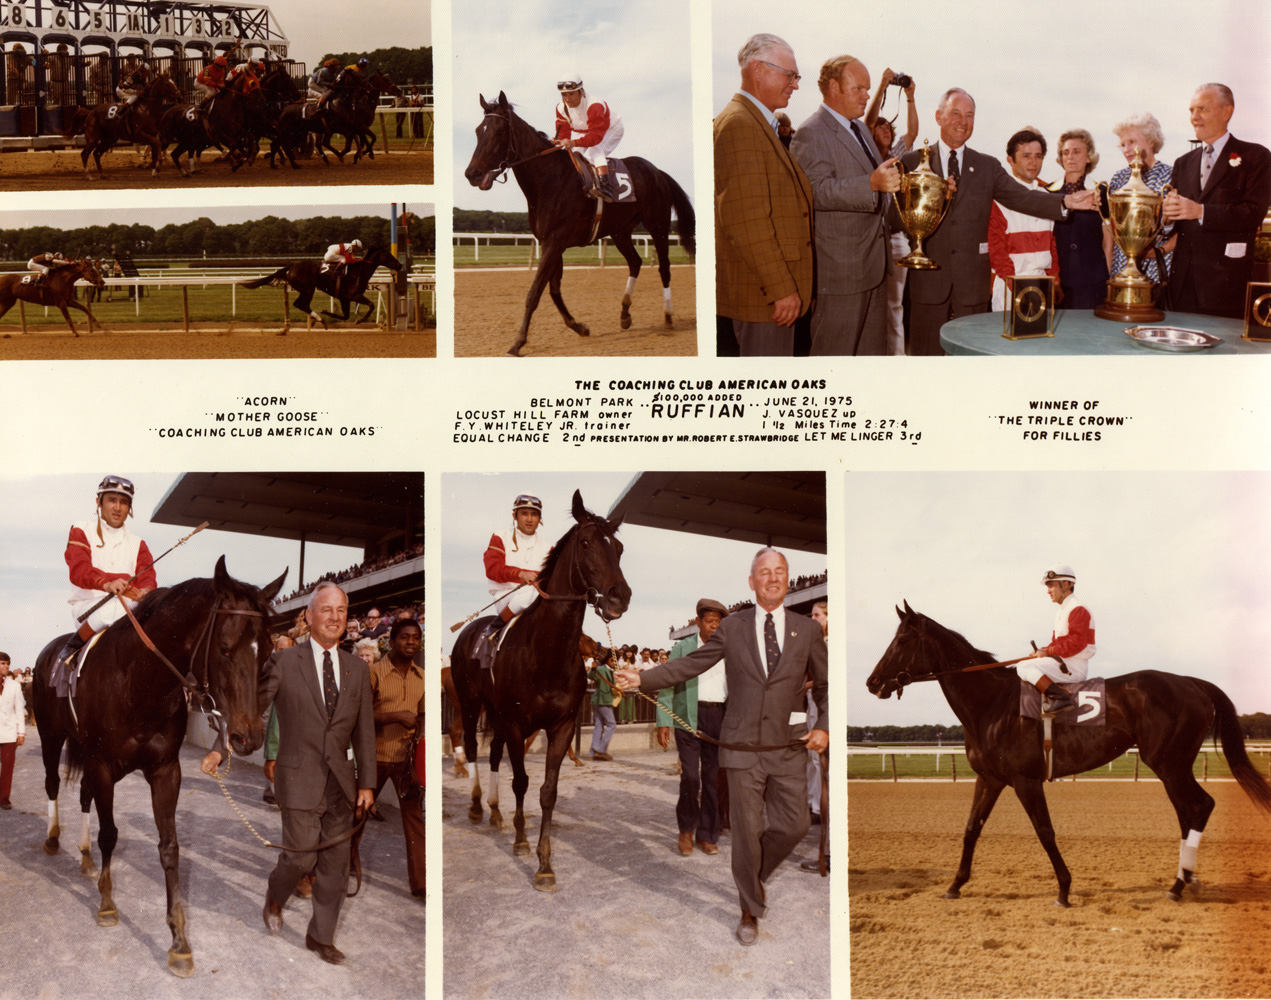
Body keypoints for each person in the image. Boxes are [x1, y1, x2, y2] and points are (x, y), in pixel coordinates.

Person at [616, 549, 828, 946]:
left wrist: (826, 728)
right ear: (752, 582)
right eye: (764, 573)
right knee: (747, 832)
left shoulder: (808, 630)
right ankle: (749, 907)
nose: (773, 578)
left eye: (780, 571)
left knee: (795, 825)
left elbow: (827, 685)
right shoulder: (732, 628)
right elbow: (691, 664)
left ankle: (752, 874)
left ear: (787, 578)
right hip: (742, 745)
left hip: (788, 746)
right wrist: (641, 680)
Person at [201, 582, 375, 966]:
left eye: (342, 611)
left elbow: (365, 731)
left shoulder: (358, 670)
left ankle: (320, 937)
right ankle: (275, 896)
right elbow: (251, 707)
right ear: (308, 616)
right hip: (298, 779)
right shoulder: (283, 662)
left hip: (342, 783)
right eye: (326, 610)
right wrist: (219, 747)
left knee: (335, 865)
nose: (334, 617)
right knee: (299, 859)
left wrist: (367, 782)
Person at [900, 88, 1098, 355]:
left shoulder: (987, 166)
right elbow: (894, 220)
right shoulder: (911, 162)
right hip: (927, 285)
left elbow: (1021, 197)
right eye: (955, 113)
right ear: (938, 116)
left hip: (972, 289)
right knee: (925, 363)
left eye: (970, 115)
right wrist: (930, 199)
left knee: (972, 366)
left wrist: (1064, 202)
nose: (963, 121)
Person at [789, 56, 899, 356]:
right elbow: (813, 190)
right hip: (840, 274)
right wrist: (871, 185)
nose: (867, 95)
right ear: (834, 87)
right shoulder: (811, 132)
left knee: (870, 361)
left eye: (868, 89)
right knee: (834, 360)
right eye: (859, 89)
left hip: (874, 267)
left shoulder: (861, 130)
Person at [715, 34, 815, 356]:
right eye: (790, 75)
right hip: (765, 301)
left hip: (767, 297)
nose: (795, 85)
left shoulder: (756, 123)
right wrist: (782, 289)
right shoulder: (741, 125)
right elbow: (747, 221)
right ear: (758, 70)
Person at [1163, 83, 1271, 318]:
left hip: (1226, 286)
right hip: (1181, 288)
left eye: (1201, 109)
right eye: (1191, 110)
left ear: (1226, 112)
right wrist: (1168, 217)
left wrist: (1201, 211)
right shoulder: (1183, 162)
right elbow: (1174, 228)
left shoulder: (1256, 157)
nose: (1194, 117)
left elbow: (1253, 213)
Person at [357, 618, 426, 898]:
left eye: (415, 638)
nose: (411, 643)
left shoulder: (422, 676)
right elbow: (359, 716)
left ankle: (421, 884)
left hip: (404, 761)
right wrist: (395, 716)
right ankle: (344, 866)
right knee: (357, 816)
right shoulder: (373, 673)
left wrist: (417, 731)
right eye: (405, 638)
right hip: (374, 758)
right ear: (391, 641)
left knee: (414, 821)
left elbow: (421, 716)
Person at [654, 598, 728, 856]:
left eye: (718, 622)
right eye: (709, 622)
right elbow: (667, 683)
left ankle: (707, 835)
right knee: (691, 777)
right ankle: (686, 831)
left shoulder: (728, 648)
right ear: (698, 622)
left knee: (712, 779)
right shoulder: (683, 648)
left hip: (718, 719)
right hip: (688, 719)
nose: (714, 627)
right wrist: (664, 721)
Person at [59, 476, 157, 668]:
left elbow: (148, 579)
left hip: (128, 611)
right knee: (120, 605)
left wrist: (146, 591)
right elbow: (79, 570)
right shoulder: (81, 529)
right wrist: (107, 584)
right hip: (88, 609)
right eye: (112, 500)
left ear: (130, 508)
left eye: (124, 502)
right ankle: (72, 646)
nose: (118, 508)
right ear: (99, 502)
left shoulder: (138, 543)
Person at [866, 68, 919, 356]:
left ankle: (897, 359)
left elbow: (912, 133)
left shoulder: (896, 155)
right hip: (870, 236)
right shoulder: (865, 152)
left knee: (895, 303)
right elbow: (869, 120)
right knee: (874, 303)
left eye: (889, 128)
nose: (885, 130)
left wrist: (910, 98)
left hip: (896, 237)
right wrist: (883, 85)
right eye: (880, 127)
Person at [988, 128, 1062, 312]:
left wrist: (1056, 280)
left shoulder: (1047, 197)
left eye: (1038, 156)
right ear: (1010, 160)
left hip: (1043, 283)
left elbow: (1050, 244)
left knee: (1042, 339)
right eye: (1026, 156)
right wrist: (1019, 289)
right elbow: (997, 251)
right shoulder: (998, 199)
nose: (1033, 162)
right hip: (1011, 285)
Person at [480, 494, 550, 667]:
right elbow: (492, 569)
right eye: (524, 513)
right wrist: (521, 574)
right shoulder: (499, 537)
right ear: (515, 516)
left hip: (538, 601)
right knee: (529, 592)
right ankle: (494, 628)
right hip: (506, 596)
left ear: (539, 519)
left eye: (534, 514)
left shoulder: (548, 548)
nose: (529, 519)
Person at [1107, 113, 1173, 287]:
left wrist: (1160, 251)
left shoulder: (1171, 176)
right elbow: (1111, 233)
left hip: (1158, 265)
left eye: (1132, 142)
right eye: (1123, 144)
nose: (1127, 149)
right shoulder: (1118, 179)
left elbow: (1184, 231)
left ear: (1151, 141)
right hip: (1122, 266)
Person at [1019, 565, 1094, 714]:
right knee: (1022, 665)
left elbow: (1076, 643)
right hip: (1064, 662)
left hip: (1073, 666)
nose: (1048, 591)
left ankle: (1061, 697)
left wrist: (1047, 652)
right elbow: (1057, 644)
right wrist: (1040, 651)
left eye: (1051, 585)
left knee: (1024, 667)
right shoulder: (1063, 611)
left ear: (1066, 584)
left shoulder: (1077, 609)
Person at [1050, 128, 1111, 309]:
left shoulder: (1102, 192)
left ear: (1089, 157)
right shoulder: (1049, 193)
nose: (1070, 157)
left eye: (1077, 152)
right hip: (1058, 281)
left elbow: (1108, 241)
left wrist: (1105, 276)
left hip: (1093, 282)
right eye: (1066, 152)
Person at [553, 74, 624, 202]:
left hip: (610, 129)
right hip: (587, 131)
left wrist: (573, 142)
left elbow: (595, 137)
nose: (567, 99)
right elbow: (564, 133)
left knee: (594, 153)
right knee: (574, 157)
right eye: (564, 95)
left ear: (581, 92)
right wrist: (559, 140)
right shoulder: (561, 108)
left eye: (571, 94)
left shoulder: (594, 105)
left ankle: (606, 187)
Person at [0, 654, 25, 810]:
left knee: (8, 767)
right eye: (3, 663)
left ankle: (4, 798)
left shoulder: (15, 685)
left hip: (9, 732)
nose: (6, 667)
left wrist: (20, 733)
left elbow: (19, 710)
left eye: (8, 664)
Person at [588, 650, 619, 761]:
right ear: (607, 660)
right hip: (601, 701)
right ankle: (600, 750)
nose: (614, 663)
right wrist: (593, 668)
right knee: (612, 724)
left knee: (599, 726)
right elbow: (591, 677)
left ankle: (592, 754)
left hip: (602, 700)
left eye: (615, 661)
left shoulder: (613, 671)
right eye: (612, 660)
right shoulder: (601, 669)